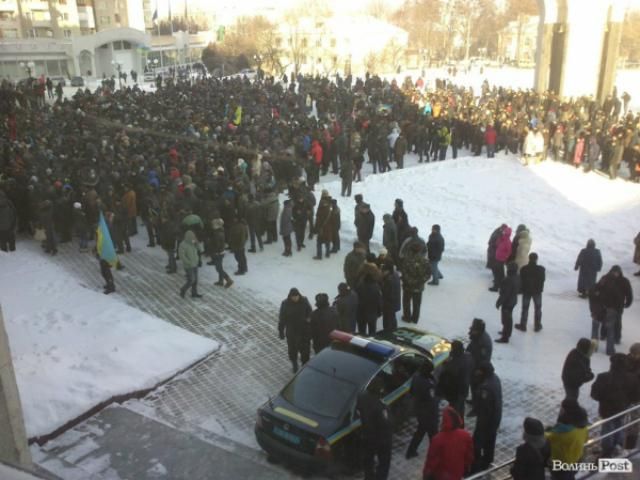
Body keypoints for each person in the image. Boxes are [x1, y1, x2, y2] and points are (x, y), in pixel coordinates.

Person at [590, 353, 640, 457]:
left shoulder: (603, 377)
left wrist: (604, 399)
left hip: (606, 410)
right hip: (622, 409)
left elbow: (594, 394)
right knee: (619, 425)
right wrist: (626, 401)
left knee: (607, 429)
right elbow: (636, 396)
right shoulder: (632, 378)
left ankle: (607, 451)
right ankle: (618, 446)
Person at [422, 406, 474, 480]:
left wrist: (426, 475)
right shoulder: (465, 435)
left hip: (442, 476)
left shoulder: (437, 439)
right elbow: (469, 455)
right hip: (457, 473)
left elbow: (431, 461)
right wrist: (466, 467)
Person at [357, 377, 393, 480]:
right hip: (381, 438)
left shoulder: (361, 397)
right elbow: (387, 422)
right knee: (384, 462)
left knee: (368, 461)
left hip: (367, 435)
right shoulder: (380, 406)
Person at [593, 265, 633, 355]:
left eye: (617, 272)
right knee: (606, 321)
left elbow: (629, 293)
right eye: (614, 272)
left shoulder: (623, 281)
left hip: (617, 306)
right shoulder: (606, 278)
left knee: (617, 322)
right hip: (608, 305)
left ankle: (616, 338)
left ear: (620, 273)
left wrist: (628, 302)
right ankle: (605, 335)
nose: (615, 274)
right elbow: (597, 287)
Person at [546, 399, 589, 480]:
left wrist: (546, 430)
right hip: (577, 459)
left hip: (562, 464)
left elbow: (547, 437)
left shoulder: (562, 432)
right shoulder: (583, 427)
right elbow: (585, 440)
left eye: (562, 409)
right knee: (571, 475)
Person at [471, 361, 502, 473]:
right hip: (495, 418)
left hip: (486, 421)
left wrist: (480, 427)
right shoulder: (495, 378)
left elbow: (485, 409)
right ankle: (488, 460)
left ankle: (476, 467)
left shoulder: (486, 388)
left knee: (477, 443)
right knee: (490, 440)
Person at [406, 360, 439, 459]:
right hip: (428, 412)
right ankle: (436, 453)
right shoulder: (428, 384)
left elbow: (411, 391)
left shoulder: (416, 377)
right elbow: (432, 398)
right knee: (433, 433)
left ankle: (411, 451)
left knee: (421, 431)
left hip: (419, 409)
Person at [278, 288, 312, 373]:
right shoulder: (285, 304)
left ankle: (305, 365)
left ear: (299, 295)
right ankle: (294, 364)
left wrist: (309, 319)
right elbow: (282, 319)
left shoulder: (304, 300)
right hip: (292, 331)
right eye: (293, 297)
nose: (295, 298)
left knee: (305, 350)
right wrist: (281, 331)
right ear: (290, 296)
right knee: (292, 350)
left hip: (303, 331)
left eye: (296, 296)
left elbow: (310, 311)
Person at [438, 340, 473, 417]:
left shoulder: (455, 363)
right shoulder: (468, 357)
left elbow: (449, 373)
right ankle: (460, 424)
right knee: (460, 408)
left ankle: (456, 425)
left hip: (456, 392)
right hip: (464, 388)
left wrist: (446, 364)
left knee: (455, 410)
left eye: (452, 349)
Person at [401, 242, 431, 323]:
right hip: (419, 287)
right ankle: (415, 318)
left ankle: (407, 317)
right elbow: (428, 274)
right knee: (417, 304)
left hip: (408, 286)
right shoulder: (425, 261)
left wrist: (410, 281)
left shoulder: (407, 260)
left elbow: (404, 272)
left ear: (411, 250)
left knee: (406, 302)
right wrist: (421, 281)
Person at [516, 252, 545, 332]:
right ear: (536, 259)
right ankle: (537, 325)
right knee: (538, 308)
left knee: (525, 308)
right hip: (537, 291)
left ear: (529, 258)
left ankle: (523, 325)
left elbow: (521, 281)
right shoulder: (541, 269)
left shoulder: (524, 269)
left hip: (526, 291)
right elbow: (543, 280)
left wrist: (520, 290)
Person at [495, 262, 520, 343]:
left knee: (506, 320)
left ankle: (505, 337)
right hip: (513, 300)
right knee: (508, 318)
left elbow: (505, 294)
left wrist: (499, 302)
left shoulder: (508, 279)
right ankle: (507, 333)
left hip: (507, 302)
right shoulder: (517, 277)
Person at [178, 230, 202, 299]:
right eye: (192, 237)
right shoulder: (183, 244)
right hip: (188, 266)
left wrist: (197, 244)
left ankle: (194, 293)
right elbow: (182, 256)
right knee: (191, 280)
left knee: (195, 280)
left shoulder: (193, 243)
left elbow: (200, 250)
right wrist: (188, 262)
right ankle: (183, 289)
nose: (193, 238)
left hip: (195, 264)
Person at [209, 218, 233, 288]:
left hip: (217, 253)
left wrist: (214, 251)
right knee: (220, 267)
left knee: (218, 269)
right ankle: (220, 281)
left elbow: (217, 244)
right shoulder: (221, 231)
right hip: (221, 252)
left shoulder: (216, 234)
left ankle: (228, 280)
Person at [381, 262, 401, 333]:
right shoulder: (395, 275)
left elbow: (386, 293)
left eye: (383, 271)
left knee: (387, 320)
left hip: (389, 304)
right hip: (394, 303)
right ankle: (393, 330)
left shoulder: (389, 280)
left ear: (388, 270)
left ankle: (388, 333)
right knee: (392, 318)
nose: (382, 272)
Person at [313, 190, 333, 259]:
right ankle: (327, 253)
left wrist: (316, 227)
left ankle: (319, 256)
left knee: (319, 241)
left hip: (322, 226)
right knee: (327, 240)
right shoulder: (330, 203)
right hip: (328, 226)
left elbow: (319, 217)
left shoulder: (322, 203)